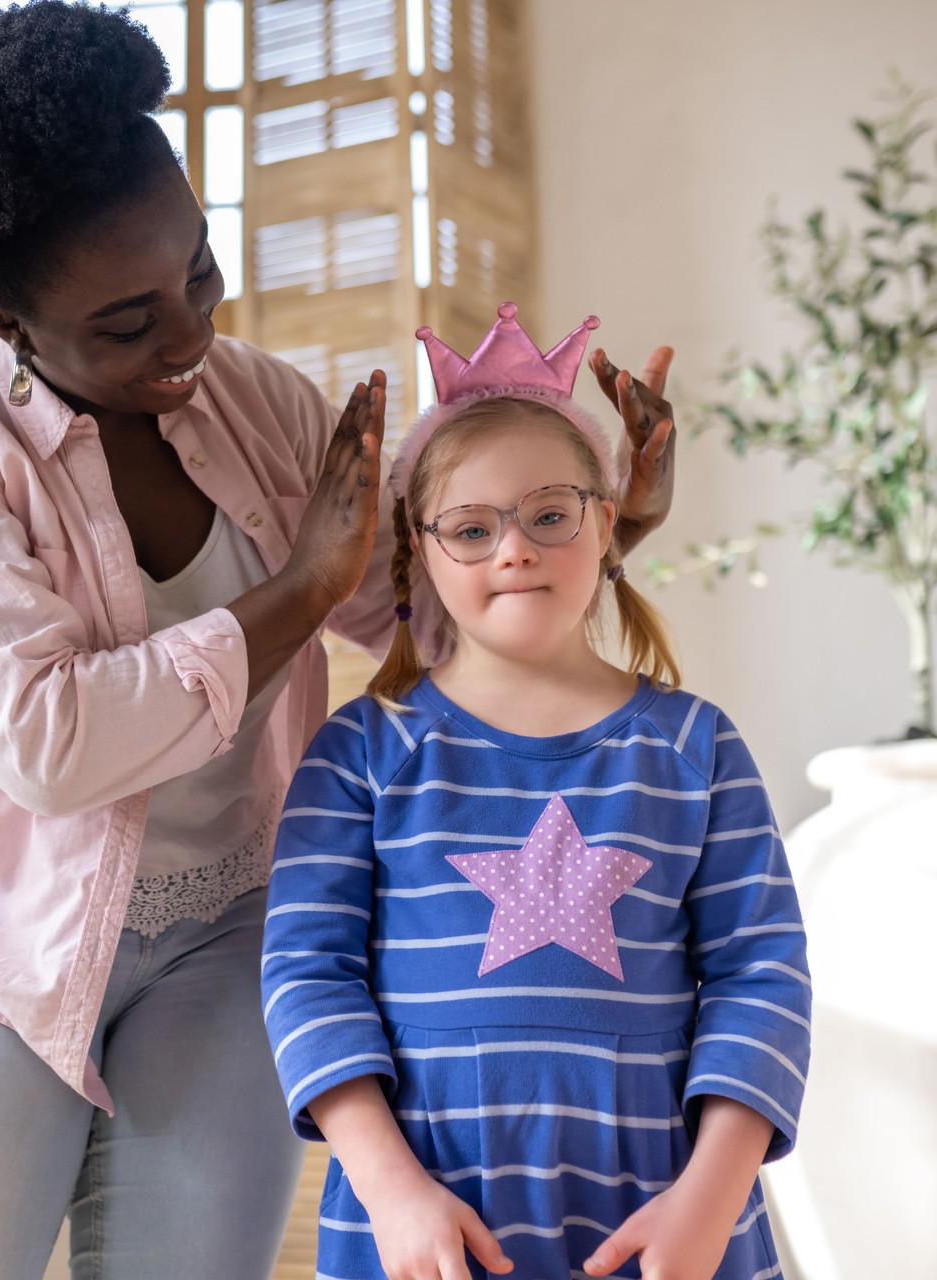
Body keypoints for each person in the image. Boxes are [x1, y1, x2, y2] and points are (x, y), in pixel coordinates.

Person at [0, 0, 679, 1273]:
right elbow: (49, 744)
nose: (190, 336)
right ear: (3, 322)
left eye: (200, 272)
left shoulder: (260, 405)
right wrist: (294, 590)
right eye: (127, 322)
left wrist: (607, 525)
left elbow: (428, 629)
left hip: (229, 932)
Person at [261, 305, 805, 1280]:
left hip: (663, 1214)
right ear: (417, 551)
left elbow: (761, 979)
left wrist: (710, 1201)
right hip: (430, 1219)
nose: (514, 549)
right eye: (471, 527)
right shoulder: (359, 754)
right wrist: (390, 1188)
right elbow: (307, 973)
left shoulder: (697, 747)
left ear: (606, 519)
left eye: (549, 514)